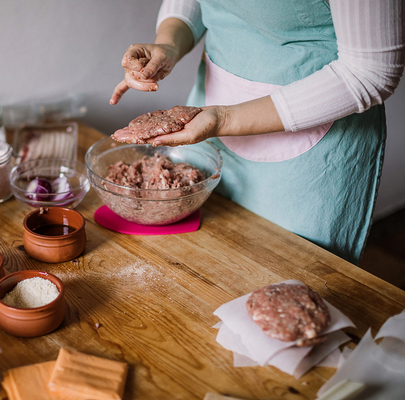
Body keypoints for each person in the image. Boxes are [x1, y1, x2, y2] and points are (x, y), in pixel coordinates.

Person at [110, 0, 404, 265]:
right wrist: (169, 44)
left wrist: (225, 118)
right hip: (207, 119)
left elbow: (370, 71)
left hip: (311, 145)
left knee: (284, 274)